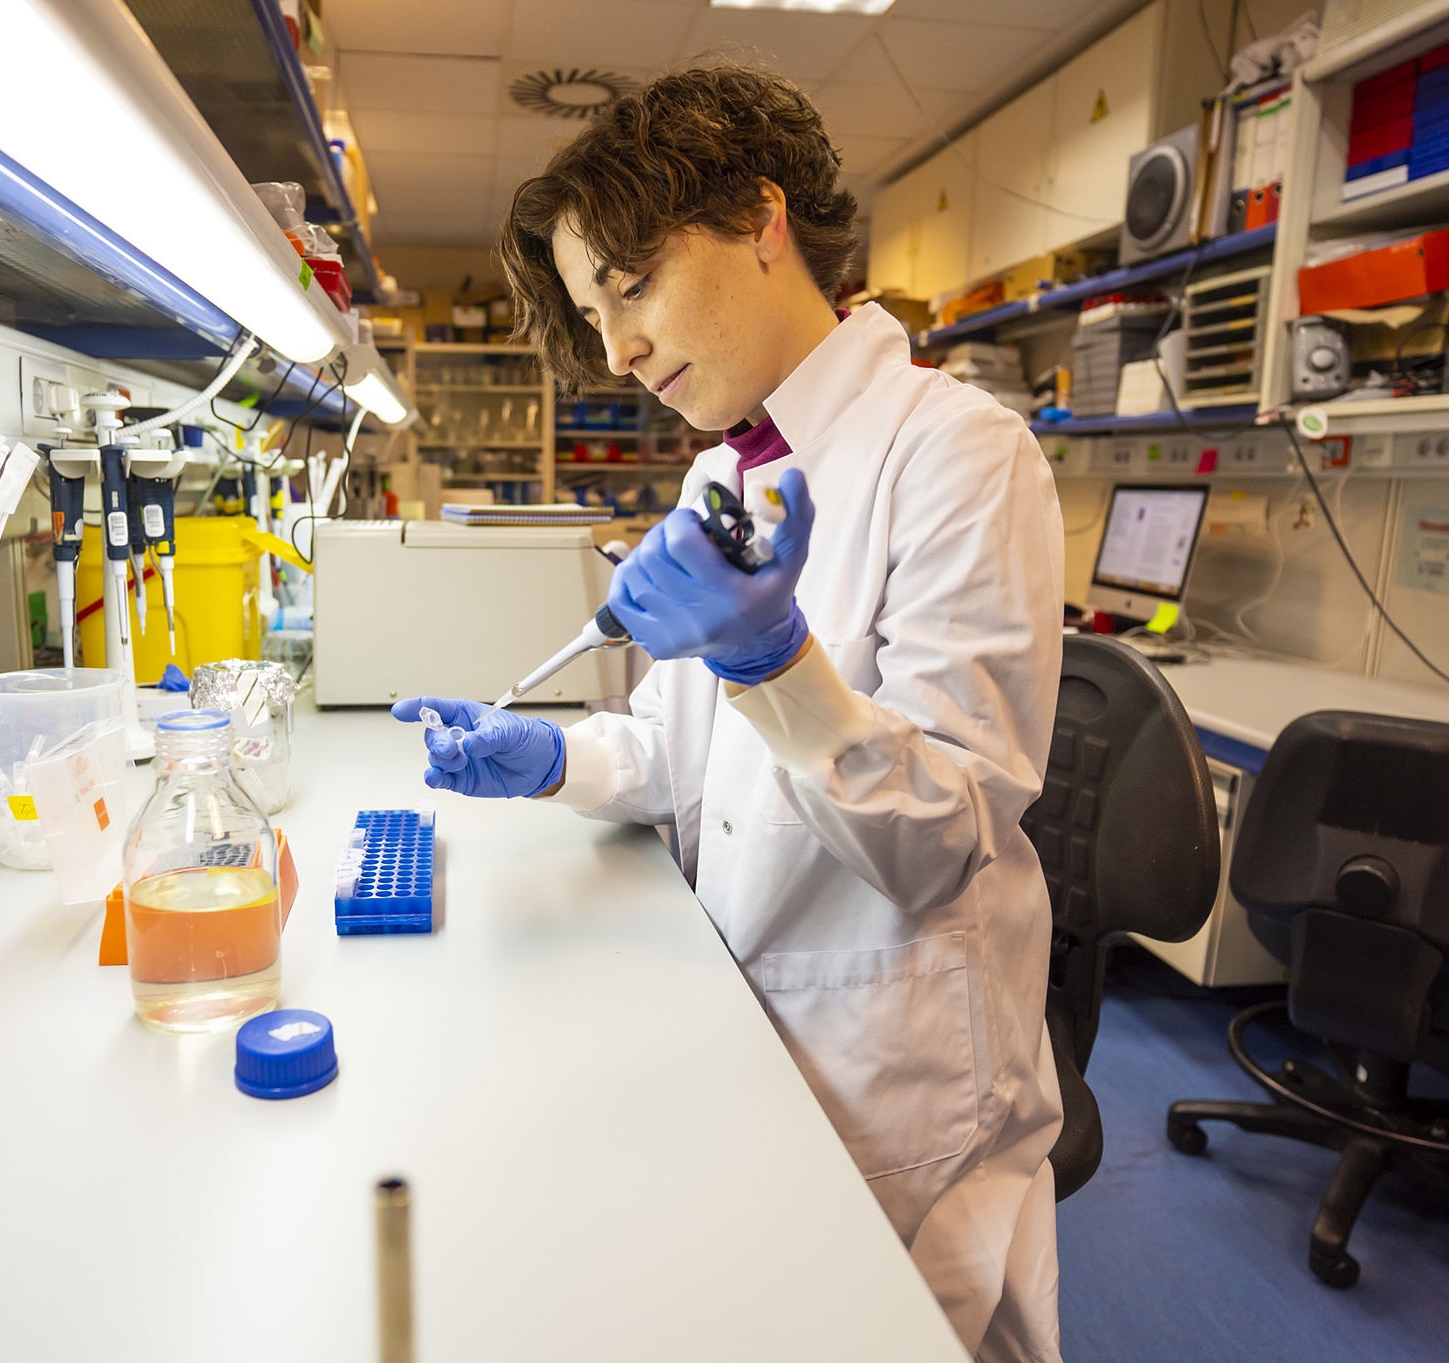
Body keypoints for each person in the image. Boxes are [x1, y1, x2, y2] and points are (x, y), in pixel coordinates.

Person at [393, 66, 1065, 1362]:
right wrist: (553, 759)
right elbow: (676, 745)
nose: (616, 352)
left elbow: (944, 840)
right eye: (592, 315)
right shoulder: (726, 467)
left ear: (762, 220)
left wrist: (773, 661)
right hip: (750, 1022)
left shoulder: (960, 453)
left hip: (901, 1075)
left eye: (632, 287)